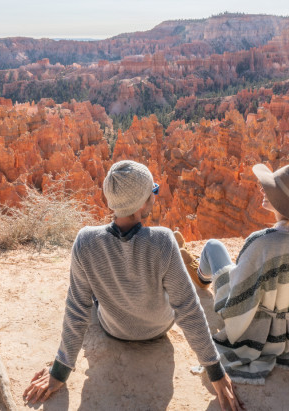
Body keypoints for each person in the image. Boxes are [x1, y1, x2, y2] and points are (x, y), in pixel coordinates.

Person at [24, 160, 243, 409]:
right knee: (166, 279)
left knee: (94, 296)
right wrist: (215, 370)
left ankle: (166, 268)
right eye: (153, 192)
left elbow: (76, 310)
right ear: (142, 204)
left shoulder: (85, 241)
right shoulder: (162, 241)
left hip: (113, 328)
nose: (155, 196)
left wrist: (59, 371)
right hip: (158, 328)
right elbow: (188, 308)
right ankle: (182, 264)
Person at [190, 163, 289, 384]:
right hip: (285, 332)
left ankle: (201, 279)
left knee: (213, 247)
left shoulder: (262, 242)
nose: (263, 190)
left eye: (269, 189)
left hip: (255, 325)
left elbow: (238, 297)